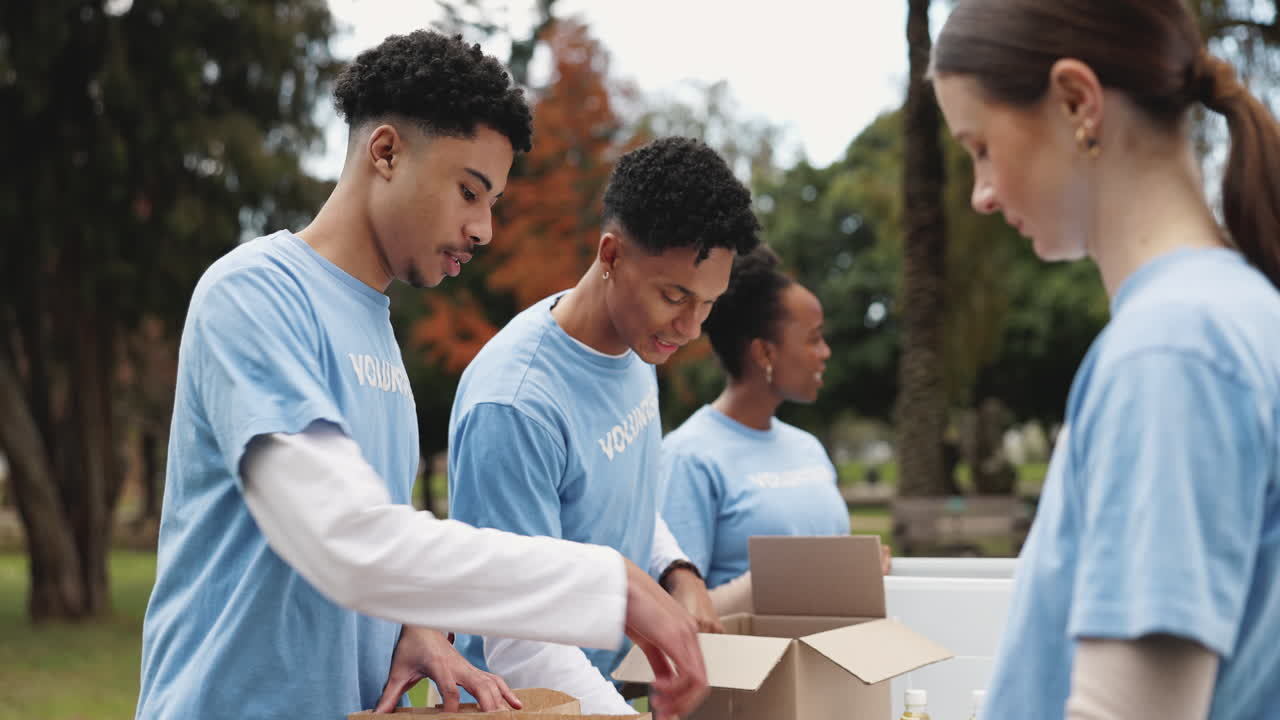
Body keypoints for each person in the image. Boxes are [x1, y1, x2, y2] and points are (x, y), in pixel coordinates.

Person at [136, 31, 706, 720]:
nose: (484, 228)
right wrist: (608, 584)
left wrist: (415, 625)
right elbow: (344, 540)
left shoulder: (376, 329)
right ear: (385, 152)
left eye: (492, 200)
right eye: (470, 191)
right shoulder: (254, 295)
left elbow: (376, 541)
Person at [931, 1, 1280, 718]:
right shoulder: (1236, 315)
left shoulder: (1172, 350)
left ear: (1075, 102)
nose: (982, 194)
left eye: (982, 147)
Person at [446, 136, 761, 714]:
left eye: (708, 305)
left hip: (595, 691)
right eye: (675, 296)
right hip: (528, 700)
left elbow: (626, 488)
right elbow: (522, 642)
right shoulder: (515, 405)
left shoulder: (639, 345)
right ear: (611, 256)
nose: (690, 328)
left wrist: (679, 572)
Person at [661, 247, 888, 617]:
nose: (825, 352)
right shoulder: (689, 457)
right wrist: (803, 575)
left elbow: (835, 580)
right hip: (748, 672)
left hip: (836, 667)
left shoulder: (808, 448)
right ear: (764, 353)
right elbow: (674, 614)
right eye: (814, 338)